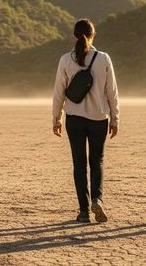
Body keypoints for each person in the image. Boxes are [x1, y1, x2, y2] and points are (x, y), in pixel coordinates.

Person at [52, 19, 120, 223]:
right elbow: (112, 92)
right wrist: (115, 118)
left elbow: (59, 92)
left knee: (79, 163)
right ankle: (97, 199)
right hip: (99, 118)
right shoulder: (104, 58)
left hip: (74, 118)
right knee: (96, 161)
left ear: (74, 36)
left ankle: (83, 211)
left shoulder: (65, 60)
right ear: (93, 35)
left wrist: (56, 118)